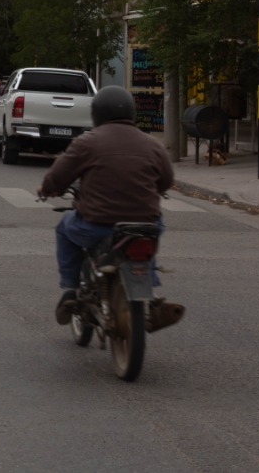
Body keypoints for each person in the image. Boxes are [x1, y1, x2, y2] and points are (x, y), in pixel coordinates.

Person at [37, 86, 180, 329]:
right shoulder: (152, 144)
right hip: (145, 227)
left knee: (64, 227)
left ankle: (70, 289)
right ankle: (150, 296)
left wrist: (48, 189)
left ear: (97, 114)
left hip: (98, 227)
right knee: (145, 245)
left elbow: (58, 177)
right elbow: (166, 181)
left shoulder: (87, 142)